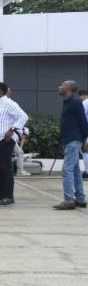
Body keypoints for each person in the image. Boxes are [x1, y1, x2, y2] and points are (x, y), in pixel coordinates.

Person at [0, 82, 29, 206]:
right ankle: (0, 194)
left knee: (5, 169)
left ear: (1, 91)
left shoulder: (9, 103)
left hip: (4, 141)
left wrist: (12, 129)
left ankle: (9, 196)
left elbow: (23, 116)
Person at [53, 81, 88, 210]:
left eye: (62, 85)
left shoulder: (75, 102)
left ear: (68, 88)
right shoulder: (68, 102)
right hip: (69, 140)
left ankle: (68, 200)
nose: (59, 86)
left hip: (73, 140)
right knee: (75, 170)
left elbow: (83, 122)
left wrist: (85, 140)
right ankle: (80, 199)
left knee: (67, 169)